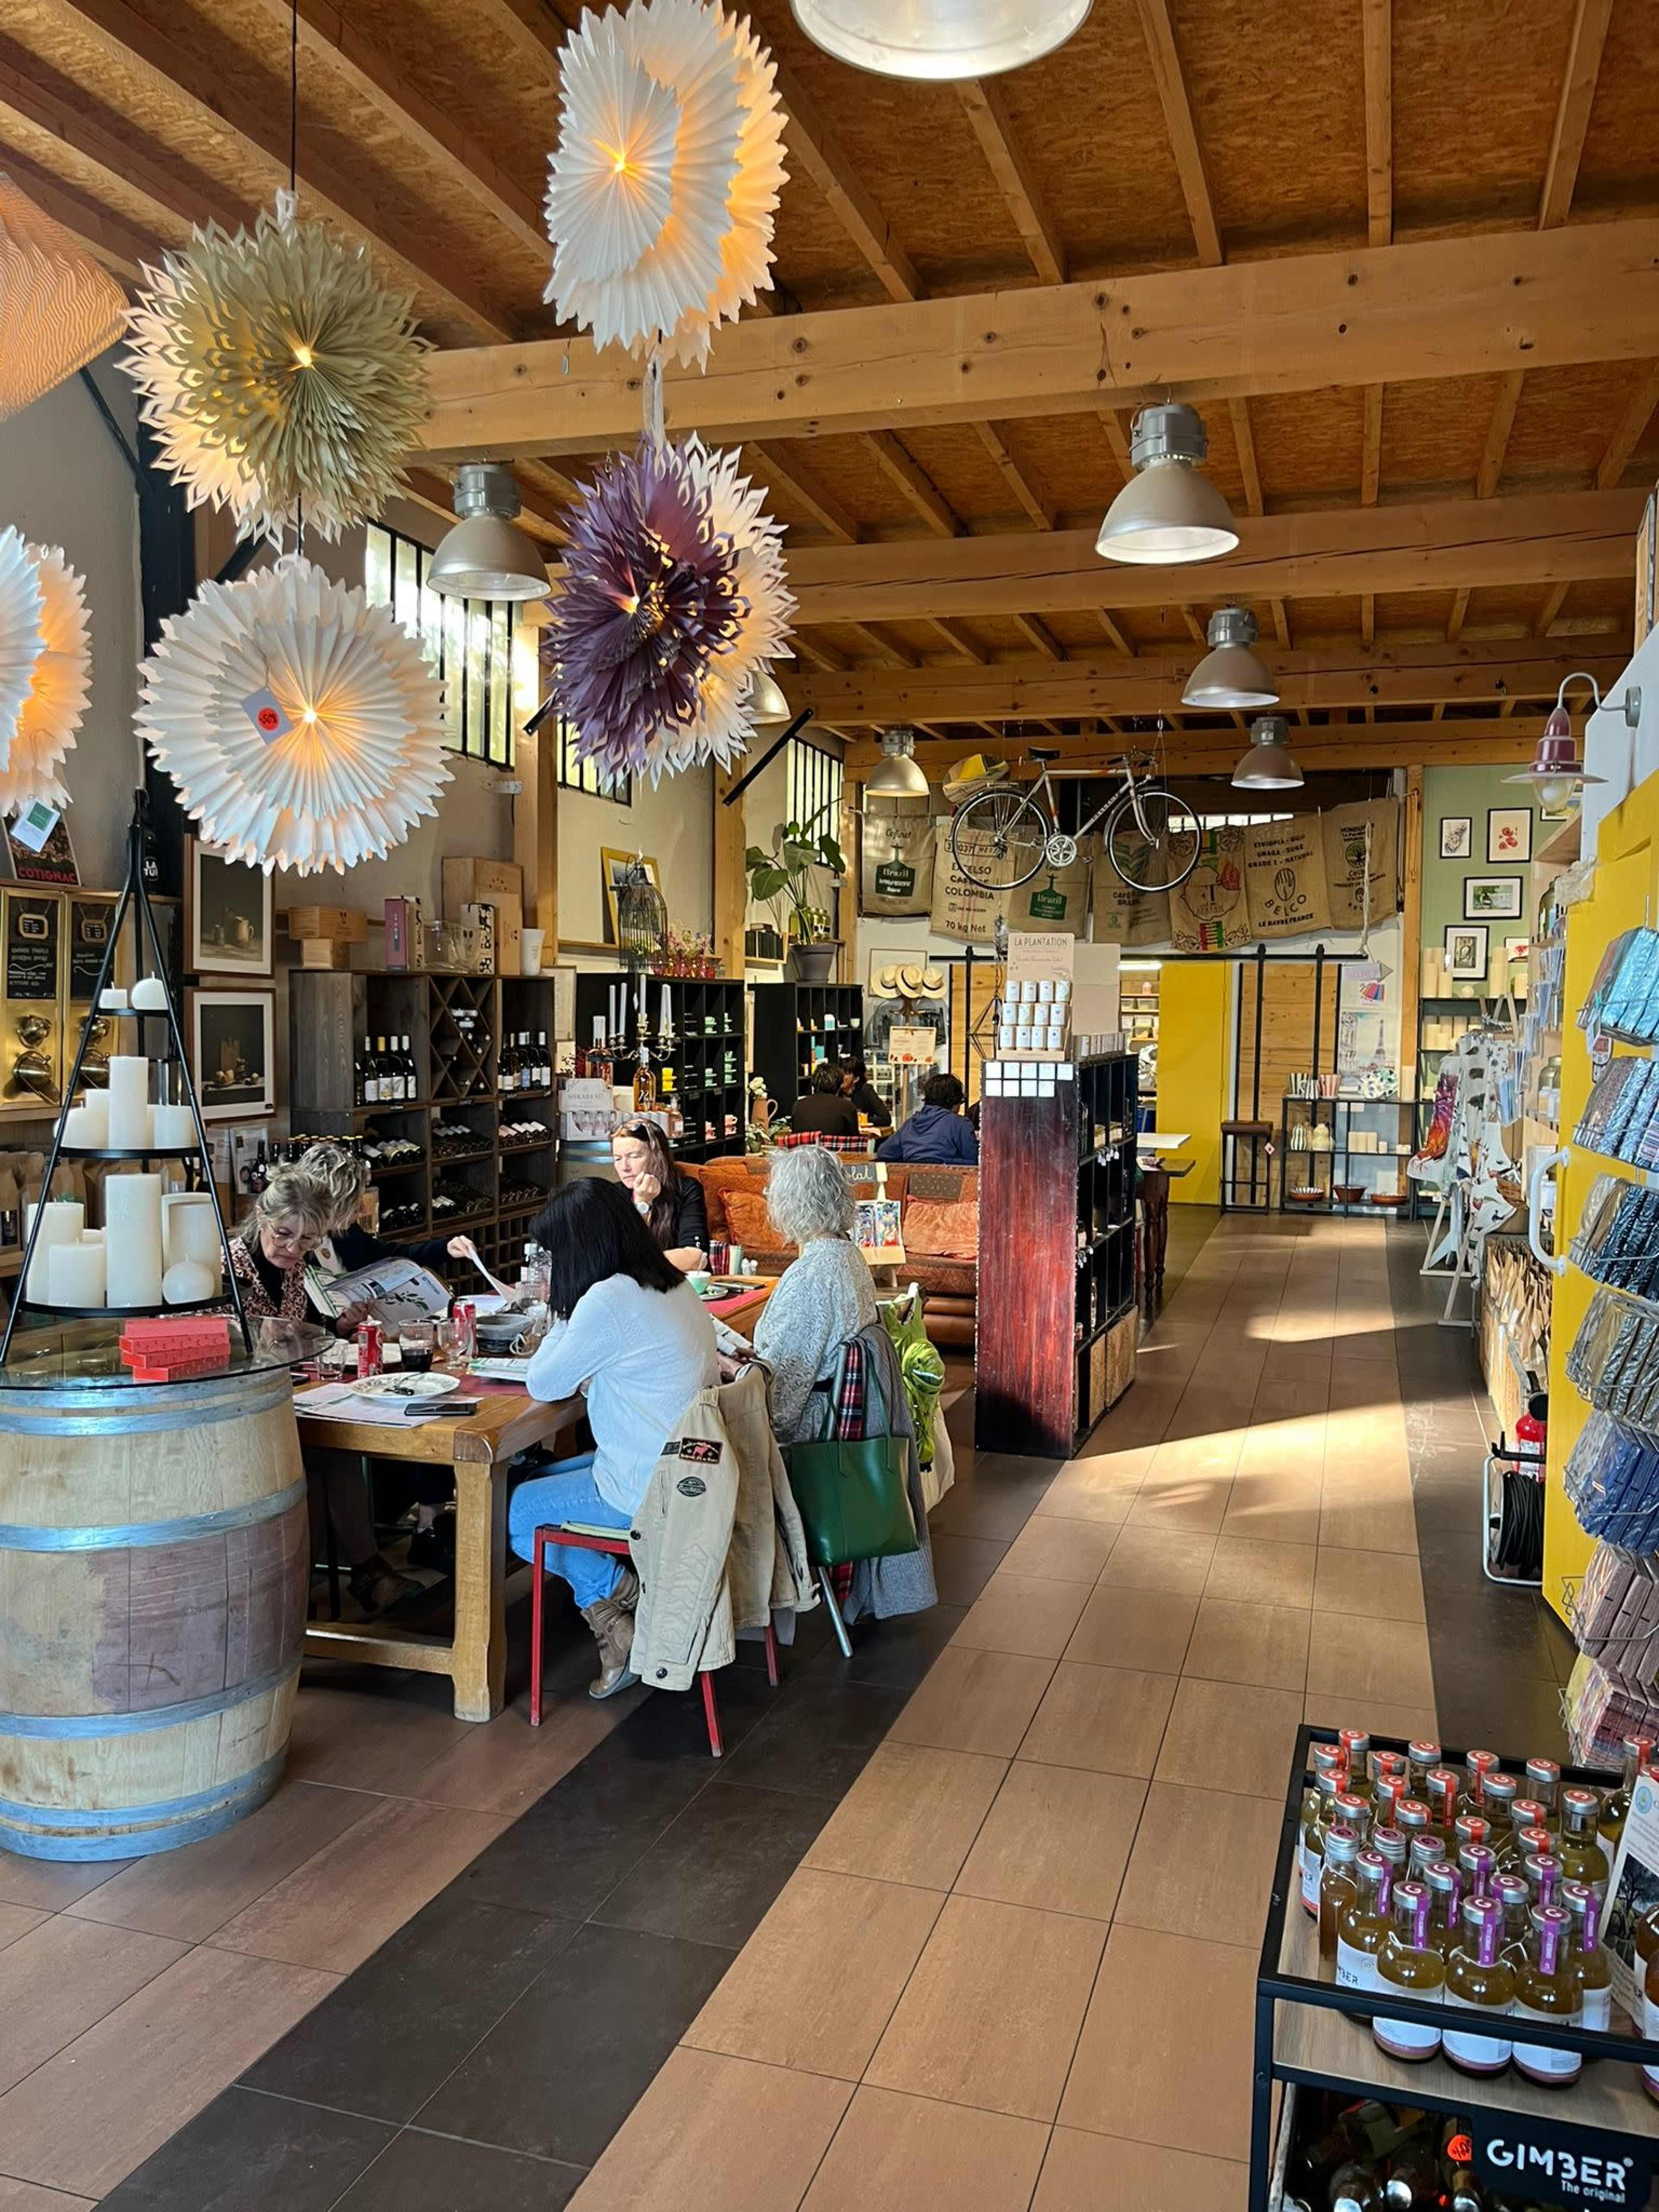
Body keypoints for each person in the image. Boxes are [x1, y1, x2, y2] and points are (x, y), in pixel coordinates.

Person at [512, 1179, 718, 1697]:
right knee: (530, 1483)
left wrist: (563, 1308)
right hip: (691, 1473)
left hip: (644, 1486)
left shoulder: (608, 1299)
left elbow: (544, 1381)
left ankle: (618, 1600)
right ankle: (618, 1617)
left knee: (511, 1513)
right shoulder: (668, 1282)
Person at [226, 1167, 422, 1614]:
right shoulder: (230, 1267)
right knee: (320, 1465)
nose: (294, 1248)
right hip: (243, 1406)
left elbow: (306, 1328)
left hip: (289, 1397)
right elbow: (224, 1345)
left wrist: (340, 1326)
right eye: (284, 1234)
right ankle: (349, 1578)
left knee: (335, 1451)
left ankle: (309, 1592)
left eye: (308, 1240)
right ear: (261, 1216)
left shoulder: (296, 1267)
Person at [752, 1143, 877, 1440]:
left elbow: (780, 1407)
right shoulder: (850, 1256)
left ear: (790, 1204)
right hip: (840, 1422)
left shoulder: (811, 1277)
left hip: (813, 1434)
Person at [610, 1118, 707, 1269]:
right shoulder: (613, 1195)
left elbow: (695, 1257)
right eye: (618, 1159)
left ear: (657, 1156)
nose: (624, 1167)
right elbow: (615, 1256)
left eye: (634, 1157)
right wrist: (641, 1204)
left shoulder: (686, 1189)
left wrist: (636, 1264)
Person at [877, 1071, 979, 1164]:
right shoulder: (961, 1124)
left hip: (913, 1181)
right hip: (950, 1181)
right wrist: (944, 1162)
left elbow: (884, 1153)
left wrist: (912, 1160)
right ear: (954, 1101)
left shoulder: (911, 1123)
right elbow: (973, 1160)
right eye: (961, 1102)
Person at [789, 1061, 860, 1138]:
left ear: (814, 1083)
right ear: (839, 1085)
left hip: (805, 1150)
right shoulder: (848, 1107)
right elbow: (855, 1139)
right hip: (838, 1150)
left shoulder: (798, 1107)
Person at [839, 1055, 892, 1129]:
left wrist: (863, 1120)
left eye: (845, 1074)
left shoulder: (866, 1090)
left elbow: (886, 1119)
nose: (840, 1077)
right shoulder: (836, 1091)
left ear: (856, 1078)